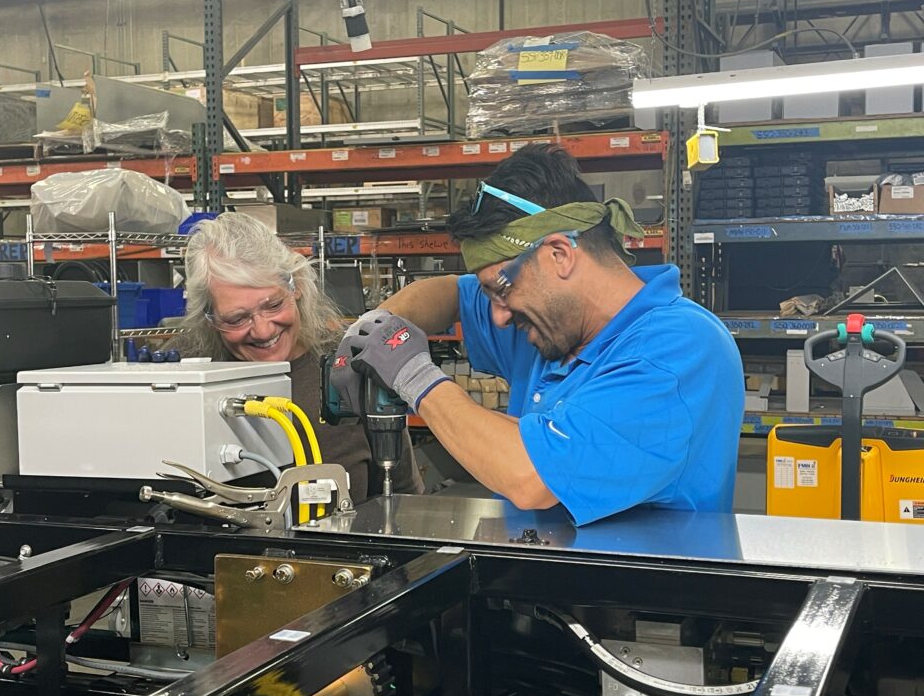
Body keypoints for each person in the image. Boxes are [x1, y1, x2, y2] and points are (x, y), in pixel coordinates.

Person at [331, 144, 743, 525]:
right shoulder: (551, 324)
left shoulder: (678, 350)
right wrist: (376, 327)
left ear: (560, 254)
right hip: (547, 588)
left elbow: (529, 477)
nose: (497, 317)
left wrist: (413, 375)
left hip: (641, 600)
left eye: (502, 289)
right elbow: (450, 294)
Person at [172, 212, 423, 502]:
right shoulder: (183, 377)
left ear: (298, 286)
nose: (264, 330)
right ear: (209, 320)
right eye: (237, 319)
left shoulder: (353, 363)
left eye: (273, 304)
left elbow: (404, 495)